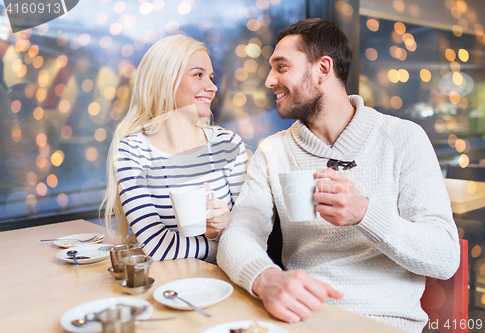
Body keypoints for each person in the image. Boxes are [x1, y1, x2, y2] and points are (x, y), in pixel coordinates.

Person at [217, 18, 460, 333]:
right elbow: (239, 234)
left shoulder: (403, 138)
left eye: (281, 67)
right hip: (301, 319)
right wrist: (266, 279)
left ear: (322, 69)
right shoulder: (273, 151)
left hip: (384, 323)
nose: (268, 80)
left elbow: (444, 257)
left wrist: (365, 214)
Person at [102, 35, 247, 263]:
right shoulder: (132, 152)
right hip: (171, 287)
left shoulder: (227, 145)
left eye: (210, 77)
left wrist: (221, 227)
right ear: (165, 80)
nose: (212, 87)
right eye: (198, 75)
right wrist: (218, 243)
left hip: (227, 285)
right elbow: (157, 247)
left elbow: (251, 234)